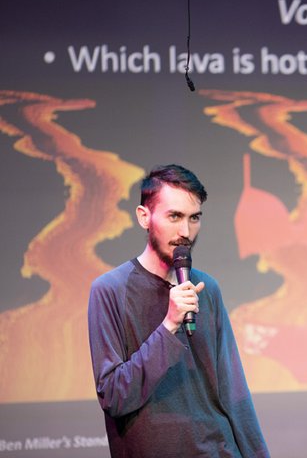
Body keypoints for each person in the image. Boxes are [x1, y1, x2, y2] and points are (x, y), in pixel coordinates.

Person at [88, 164, 270, 458]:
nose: (185, 232)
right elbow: (114, 396)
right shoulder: (110, 290)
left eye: (194, 218)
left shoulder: (206, 287)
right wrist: (168, 326)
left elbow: (233, 389)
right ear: (144, 217)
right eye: (174, 216)